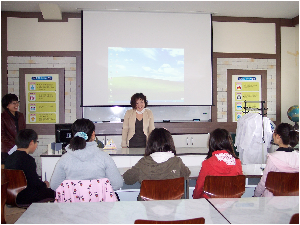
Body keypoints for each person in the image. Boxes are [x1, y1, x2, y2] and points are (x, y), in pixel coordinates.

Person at [50, 118, 123, 191]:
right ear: (93, 134)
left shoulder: (64, 159)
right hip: (99, 202)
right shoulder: (104, 158)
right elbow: (117, 184)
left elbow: (54, 186)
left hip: (73, 202)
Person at [123, 128, 191, 200]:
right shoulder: (177, 162)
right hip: (173, 207)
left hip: (147, 208)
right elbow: (186, 174)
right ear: (170, 143)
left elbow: (128, 179)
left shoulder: (143, 163)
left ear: (149, 144)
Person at [5, 129, 55, 205]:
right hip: (25, 196)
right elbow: (34, 183)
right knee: (53, 192)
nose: (36, 145)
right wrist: (45, 185)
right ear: (31, 143)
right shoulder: (28, 160)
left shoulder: (9, 157)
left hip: (9, 196)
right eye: (36, 142)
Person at [193, 128, 243, 199]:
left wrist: (196, 199)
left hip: (210, 204)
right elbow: (240, 187)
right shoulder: (237, 162)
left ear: (211, 143)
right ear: (229, 143)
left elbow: (199, 187)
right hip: (231, 204)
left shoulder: (207, 163)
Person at [254, 123, 299, 197]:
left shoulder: (273, 158)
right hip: (294, 201)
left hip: (272, 202)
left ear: (278, 136)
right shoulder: (298, 157)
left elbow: (264, 182)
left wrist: (256, 195)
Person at [1, 93, 26, 164]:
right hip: (8, 150)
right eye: (14, 103)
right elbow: (2, 136)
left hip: (20, 148)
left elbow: (23, 131)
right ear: (7, 105)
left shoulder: (21, 116)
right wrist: (14, 145)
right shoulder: (2, 117)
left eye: (17, 102)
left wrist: (22, 144)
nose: (16, 105)